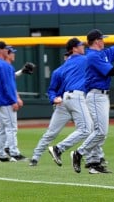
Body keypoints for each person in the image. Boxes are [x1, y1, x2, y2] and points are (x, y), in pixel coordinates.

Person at [70, 29, 114, 174]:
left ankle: (94, 163)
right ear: (96, 41)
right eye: (102, 39)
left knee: (99, 131)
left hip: (102, 96)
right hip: (95, 95)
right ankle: (79, 153)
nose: (104, 41)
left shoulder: (102, 53)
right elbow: (111, 71)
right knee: (101, 131)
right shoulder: (93, 56)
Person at [30, 38, 92, 167]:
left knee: (88, 129)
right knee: (52, 133)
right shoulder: (58, 71)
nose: (68, 58)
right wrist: (53, 98)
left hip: (76, 100)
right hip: (62, 105)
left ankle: (90, 158)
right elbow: (51, 90)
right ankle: (35, 157)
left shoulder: (81, 65)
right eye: (67, 56)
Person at [0, 41, 26, 162]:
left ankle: (0, 154)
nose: (7, 51)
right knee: (11, 128)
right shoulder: (4, 65)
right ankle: (14, 153)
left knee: (1, 129)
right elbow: (7, 85)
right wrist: (13, 100)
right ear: (1, 50)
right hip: (6, 102)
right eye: (5, 49)